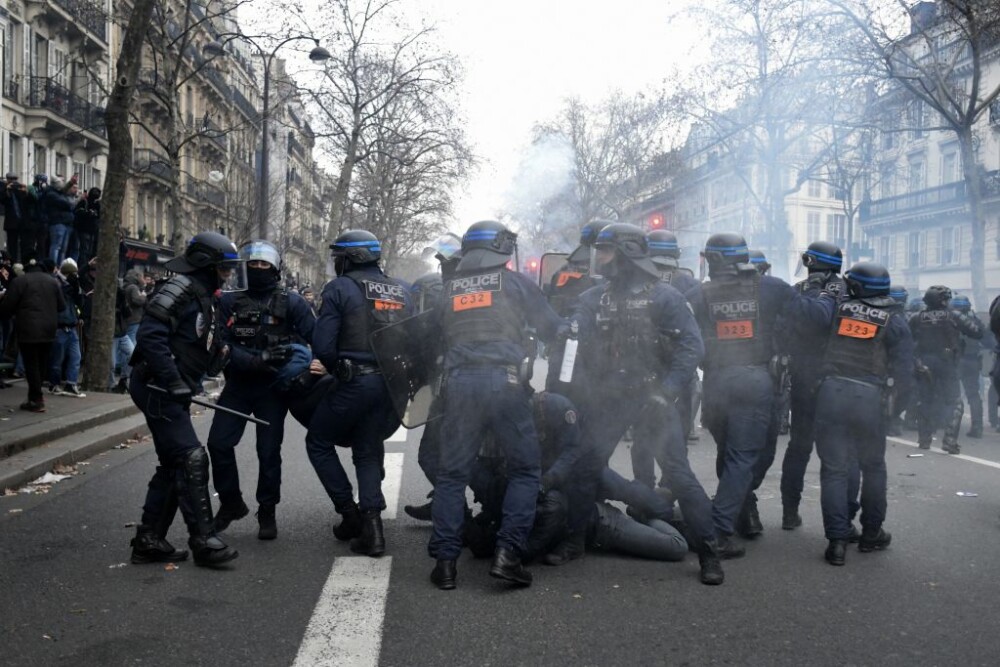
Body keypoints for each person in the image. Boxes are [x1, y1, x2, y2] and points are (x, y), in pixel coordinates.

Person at [555, 223, 724, 585]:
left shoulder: (664, 297)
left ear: (627, 252)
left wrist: (667, 391)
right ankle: (572, 542)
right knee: (585, 468)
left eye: (604, 250)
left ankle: (710, 552)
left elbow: (691, 347)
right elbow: (573, 333)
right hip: (608, 398)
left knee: (679, 475)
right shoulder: (593, 297)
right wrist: (564, 328)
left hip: (651, 399)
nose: (597, 257)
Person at [428, 220, 563, 590]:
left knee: (452, 475)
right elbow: (553, 329)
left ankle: (445, 563)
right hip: (505, 383)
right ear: (501, 250)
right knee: (524, 470)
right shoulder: (517, 285)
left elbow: (430, 338)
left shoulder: (448, 290)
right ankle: (508, 556)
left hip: (459, 385)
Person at [127, 231, 240, 567]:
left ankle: (149, 539)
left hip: (174, 387)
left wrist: (219, 354)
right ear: (207, 264)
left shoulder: (209, 295)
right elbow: (150, 336)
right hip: (155, 386)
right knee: (191, 457)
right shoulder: (179, 288)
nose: (229, 273)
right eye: (224, 267)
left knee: (174, 463)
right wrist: (173, 380)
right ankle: (204, 542)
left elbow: (200, 342)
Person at [790, 262, 913, 565]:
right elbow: (906, 374)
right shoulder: (895, 320)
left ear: (855, 287)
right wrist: (896, 411)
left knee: (834, 469)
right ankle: (872, 533)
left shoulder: (836, 310)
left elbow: (807, 333)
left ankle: (837, 542)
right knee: (873, 467)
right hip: (870, 398)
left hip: (832, 394)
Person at [306, 230, 412, 558]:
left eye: (339, 257)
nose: (337, 262)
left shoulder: (339, 288)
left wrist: (340, 369)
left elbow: (322, 346)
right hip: (392, 385)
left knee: (318, 441)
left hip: (356, 382)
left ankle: (350, 514)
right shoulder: (402, 289)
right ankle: (373, 531)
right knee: (367, 449)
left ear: (351, 258)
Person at [685, 232, 794, 553]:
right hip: (755, 382)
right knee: (745, 457)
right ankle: (718, 531)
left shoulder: (696, 294)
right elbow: (805, 319)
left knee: (731, 454)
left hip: (717, 383)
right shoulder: (772, 288)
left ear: (713, 259)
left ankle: (742, 509)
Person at [207, 241, 315, 540]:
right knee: (218, 444)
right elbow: (220, 345)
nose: (257, 269)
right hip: (238, 386)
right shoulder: (228, 302)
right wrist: (255, 360)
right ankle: (230, 503)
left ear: (275, 268)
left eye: (263, 265)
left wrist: (313, 370)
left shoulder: (293, 302)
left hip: (273, 390)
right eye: (252, 265)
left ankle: (267, 509)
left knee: (268, 452)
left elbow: (319, 338)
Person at [779, 241, 846, 530]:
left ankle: (789, 512)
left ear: (811, 261)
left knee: (800, 446)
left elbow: (784, 327)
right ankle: (841, 523)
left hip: (808, 374)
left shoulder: (799, 290)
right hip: (834, 376)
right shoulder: (847, 290)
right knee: (835, 452)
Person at [630, 228, 701, 488]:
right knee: (677, 439)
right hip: (680, 374)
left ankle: (643, 491)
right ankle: (669, 489)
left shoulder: (635, 282)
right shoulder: (691, 285)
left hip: (645, 371)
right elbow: (697, 336)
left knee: (642, 438)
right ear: (677, 254)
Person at [403, 233, 463, 521]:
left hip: (453, 389)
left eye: (443, 260)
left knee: (432, 455)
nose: (441, 264)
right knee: (444, 455)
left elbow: (431, 345)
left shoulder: (451, 298)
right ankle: (446, 502)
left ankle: (455, 510)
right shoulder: (457, 293)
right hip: (453, 387)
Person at [910, 285, 983, 453]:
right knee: (955, 403)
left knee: (925, 401)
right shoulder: (953, 315)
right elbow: (978, 332)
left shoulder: (917, 317)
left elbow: (906, 338)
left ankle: (924, 440)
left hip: (925, 363)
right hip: (947, 363)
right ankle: (949, 441)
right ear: (943, 300)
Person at [0, 254, 65, 412]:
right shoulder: (53, 281)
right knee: (42, 363)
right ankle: (34, 396)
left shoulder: (19, 281)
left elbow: (8, 306)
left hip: (28, 329)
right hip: (49, 329)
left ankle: (36, 399)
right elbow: (61, 306)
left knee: (31, 364)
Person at [48, 258, 85, 397]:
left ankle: (71, 383)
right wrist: (71, 286)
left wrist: (77, 290)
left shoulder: (72, 284)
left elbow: (77, 302)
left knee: (76, 357)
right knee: (57, 359)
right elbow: (60, 298)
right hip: (60, 326)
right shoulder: (56, 282)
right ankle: (54, 384)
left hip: (71, 325)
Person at [951, 295, 987, 439]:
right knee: (973, 395)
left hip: (956, 361)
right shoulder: (975, 321)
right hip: (972, 361)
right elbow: (985, 336)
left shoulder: (951, 320)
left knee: (952, 394)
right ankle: (977, 426)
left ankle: (949, 425)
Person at [1, 173, 29, 263]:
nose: (13, 182)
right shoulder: (5, 189)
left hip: (22, 221)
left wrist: (25, 191)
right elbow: (2, 199)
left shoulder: (20, 189)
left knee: (23, 244)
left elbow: (28, 202)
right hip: (11, 222)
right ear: (7, 180)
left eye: (15, 179)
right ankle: (12, 262)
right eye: (11, 179)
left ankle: (23, 262)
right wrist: (7, 190)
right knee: (11, 244)